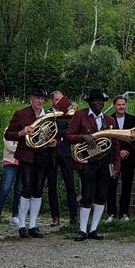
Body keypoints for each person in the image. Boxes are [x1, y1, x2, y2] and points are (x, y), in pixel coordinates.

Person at [66, 88, 119, 241]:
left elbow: (115, 145)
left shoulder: (109, 120)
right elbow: (69, 136)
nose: (98, 103)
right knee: (87, 195)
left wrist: (116, 165)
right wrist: (83, 137)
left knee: (102, 195)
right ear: (90, 102)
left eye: (101, 101)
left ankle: (94, 229)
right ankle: (83, 229)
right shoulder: (80, 115)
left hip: (104, 162)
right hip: (87, 162)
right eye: (95, 101)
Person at [4, 85, 54, 237]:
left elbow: (55, 133)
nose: (40, 101)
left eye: (42, 99)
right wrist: (21, 132)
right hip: (27, 156)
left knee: (38, 190)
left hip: (43, 155)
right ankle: (21, 224)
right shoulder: (21, 114)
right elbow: (8, 135)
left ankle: (33, 225)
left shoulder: (49, 115)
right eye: (37, 98)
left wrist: (54, 141)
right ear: (31, 99)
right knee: (26, 189)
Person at [47, 89, 79, 227]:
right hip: (51, 152)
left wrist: (59, 132)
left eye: (61, 100)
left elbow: (72, 130)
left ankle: (73, 216)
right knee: (51, 186)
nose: (58, 102)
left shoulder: (68, 113)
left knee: (70, 185)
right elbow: (47, 129)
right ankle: (55, 216)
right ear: (51, 101)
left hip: (65, 151)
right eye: (56, 100)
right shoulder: (47, 113)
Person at [107, 94, 135, 220]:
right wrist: (118, 152)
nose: (121, 107)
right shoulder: (108, 119)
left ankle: (124, 213)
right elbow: (107, 139)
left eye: (123, 104)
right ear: (114, 106)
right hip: (113, 158)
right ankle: (111, 213)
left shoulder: (133, 119)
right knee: (111, 186)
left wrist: (125, 150)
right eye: (119, 104)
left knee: (127, 186)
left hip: (129, 157)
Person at [0, 136, 22, 228]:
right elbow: (10, 147)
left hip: (22, 163)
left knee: (19, 190)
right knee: (5, 189)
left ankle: (15, 215)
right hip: (10, 163)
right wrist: (23, 149)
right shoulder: (8, 130)